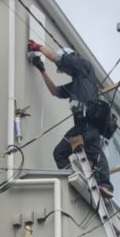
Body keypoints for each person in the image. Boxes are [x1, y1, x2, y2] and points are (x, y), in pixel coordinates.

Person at [27, 41, 114, 199]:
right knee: (59, 153)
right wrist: (42, 71)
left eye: (64, 68)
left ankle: (106, 185)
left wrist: (38, 47)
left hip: (90, 124)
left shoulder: (83, 66)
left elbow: (56, 57)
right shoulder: (75, 83)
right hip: (79, 127)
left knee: (95, 153)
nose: (65, 71)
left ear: (70, 58)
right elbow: (55, 91)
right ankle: (72, 179)